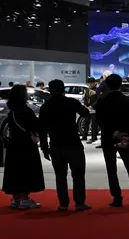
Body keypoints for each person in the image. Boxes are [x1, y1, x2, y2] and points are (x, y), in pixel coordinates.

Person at [94, 74, 129, 207]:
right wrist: (125, 131)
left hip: (108, 137)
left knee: (111, 169)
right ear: (120, 85)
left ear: (107, 85)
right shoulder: (127, 101)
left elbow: (98, 119)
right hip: (125, 136)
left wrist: (111, 130)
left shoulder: (102, 100)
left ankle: (117, 198)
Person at [39, 79, 92, 211]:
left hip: (56, 144)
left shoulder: (46, 107)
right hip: (73, 143)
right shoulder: (71, 102)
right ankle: (79, 203)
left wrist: (45, 147)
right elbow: (85, 113)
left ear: (50, 90)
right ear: (63, 89)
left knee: (60, 176)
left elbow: (42, 129)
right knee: (78, 175)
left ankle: (63, 203)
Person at [3, 84, 45, 210]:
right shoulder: (26, 111)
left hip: (13, 145)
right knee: (26, 171)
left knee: (15, 171)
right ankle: (25, 199)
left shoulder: (12, 111)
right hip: (26, 145)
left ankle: (16, 199)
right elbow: (35, 126)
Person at [83, 77, 100, 143]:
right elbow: (85, 98)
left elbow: (98, 100)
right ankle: (84, 136)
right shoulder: (87, 90)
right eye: (89, 83)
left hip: (94, 108)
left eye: (91, 83)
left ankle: (93, 137)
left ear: (94, 83)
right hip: (87, 108)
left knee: (94, 124)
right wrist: (85, 105)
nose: (90, 84)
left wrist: (93, 106)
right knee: (86, 122)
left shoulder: (97, 90)